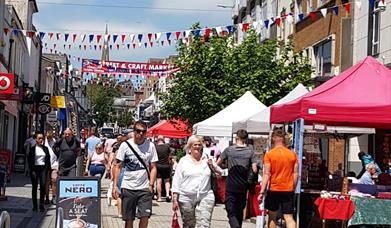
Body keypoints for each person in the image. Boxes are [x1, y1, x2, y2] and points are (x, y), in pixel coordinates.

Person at [112, 121, 158, 228]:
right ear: (134, 131)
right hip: (128, 186)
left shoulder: (150, 146)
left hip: (144, 187)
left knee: (144, 216)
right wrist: (115, 186)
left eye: (143, 131)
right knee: (129, 219)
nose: (141, 134)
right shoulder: (125, 145)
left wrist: (151, 185)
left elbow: (153, 167)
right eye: (138, 131)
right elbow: (117, 166)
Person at [171, 135, 219, 228]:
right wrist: (175, 199)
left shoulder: (207, 159)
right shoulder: (183, 161)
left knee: (204, 224)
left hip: (205, 195)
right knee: (189, 225)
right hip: (186, 196)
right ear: (189, 147)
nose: (197, 147)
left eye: (199, 145)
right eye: (194, 145)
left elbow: (219, 171)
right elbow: (176, 180)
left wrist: (214, 167)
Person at [215, 129, 257, 228]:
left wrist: (224, 168)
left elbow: (217, 164)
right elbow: (254, 169)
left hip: (231, 184)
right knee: (239, 209)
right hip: (243, 185)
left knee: (230, 209)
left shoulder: (229, 150)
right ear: (246, 139)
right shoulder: (250, 151)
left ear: (236, 137)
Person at [258, 128, 299, 228]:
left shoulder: (269, 155)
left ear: (273, 139)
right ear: (283, 139)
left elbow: (267, 174)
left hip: (274, 189)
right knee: (289, 217)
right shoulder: (293, 155)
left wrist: (262, 191)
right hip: (288, 189)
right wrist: (293, 186)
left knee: (272, 216)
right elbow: (296, 173)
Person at [27, 132, 51, 212]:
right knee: (34, 187)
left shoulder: (45, 149)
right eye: (39, 138)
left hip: (43, 169)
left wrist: (48, 170)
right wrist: (31, 169)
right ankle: (34, 205)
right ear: (36, 139)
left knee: (43, 186)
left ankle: (41, 204)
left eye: (42, 138)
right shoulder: (32, 149)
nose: (41, 140)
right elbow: (29, 159)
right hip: (35, 169)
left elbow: (48, 159)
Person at [155, 135, 172, 202]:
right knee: (167, 181)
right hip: (166, 166)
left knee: (159, 182)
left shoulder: (155, 147)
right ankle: (167, 194)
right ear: (163, 140)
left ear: (157, 140)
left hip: (158, 166)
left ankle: (159, 197)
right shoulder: (167, 147)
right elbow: (170, 156)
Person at [44, 130, 58, 204]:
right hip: (45, 165)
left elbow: (58, 154)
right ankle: (46, 197)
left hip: (54, 164)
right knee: (46, 181)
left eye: (50, 137)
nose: (49, 139)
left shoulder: (56, 143)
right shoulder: (43, 142)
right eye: (48, 137)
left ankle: (54, 196)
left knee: (54, 180)